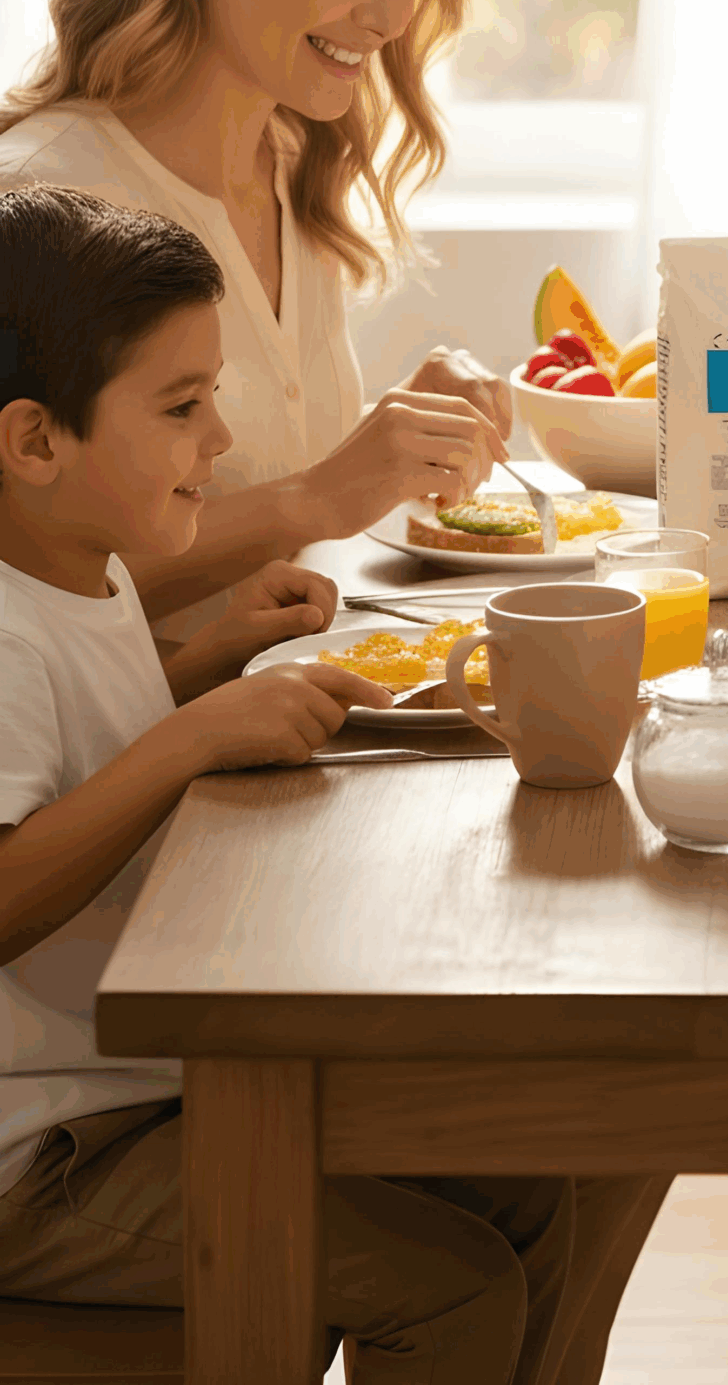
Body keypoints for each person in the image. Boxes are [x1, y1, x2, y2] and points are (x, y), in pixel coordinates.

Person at [0, 184, 575, 1383]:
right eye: (182, 406)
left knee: (533, 1164)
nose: (217, 439)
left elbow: (77, 735)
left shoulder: (79, 562)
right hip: (46, 1151)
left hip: (132, 1080)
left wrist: (201, 660)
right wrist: (193, 734)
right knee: (450, 1285)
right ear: (35, 439)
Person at [0, 0, 512, 627]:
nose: (392, 14)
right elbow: (31, 598)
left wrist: (389, 444)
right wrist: (317, 496)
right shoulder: (39, 200)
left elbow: (257, 495)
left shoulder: (293, 163)